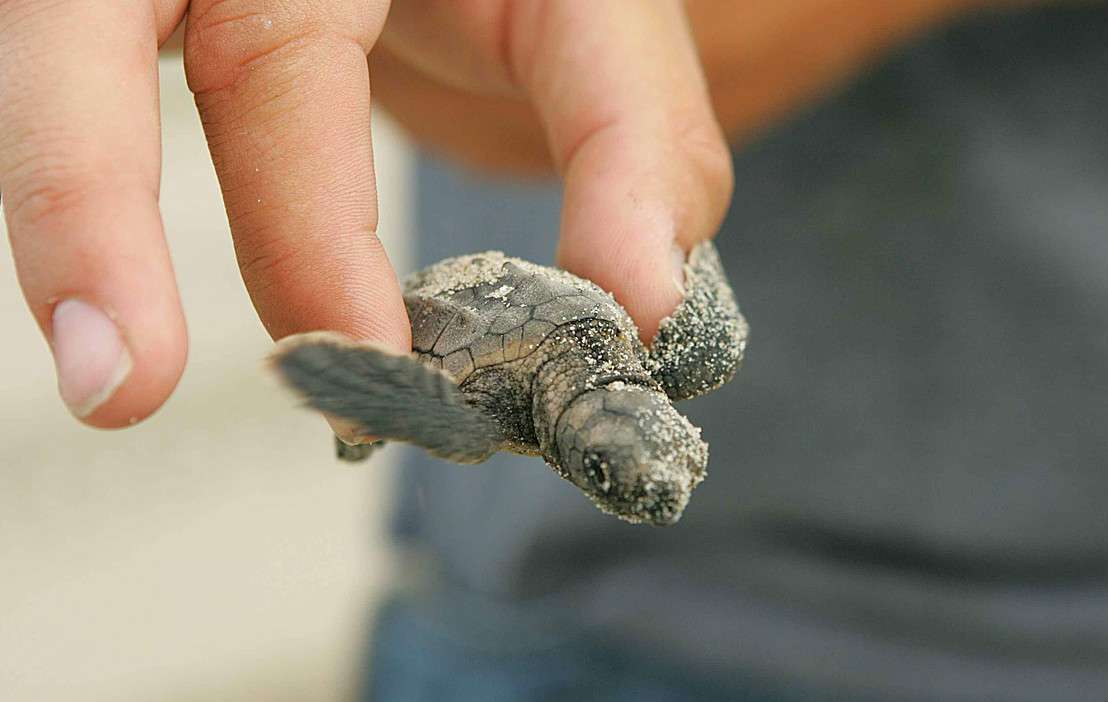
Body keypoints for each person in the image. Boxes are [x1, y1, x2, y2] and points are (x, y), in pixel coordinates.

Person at [3, 1, 1106, 700]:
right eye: (635, 462)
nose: (645, 474)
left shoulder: (572, 387)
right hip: (567, 623)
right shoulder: (596, 366)